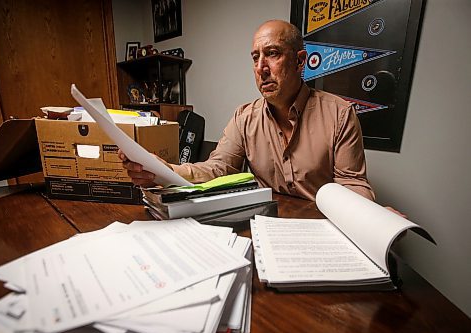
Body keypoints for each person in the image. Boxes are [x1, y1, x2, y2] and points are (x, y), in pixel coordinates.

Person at [120, 19, 375, 201]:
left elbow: (352, 186)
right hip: (268, 225)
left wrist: (370, 216)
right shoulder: (244, 117)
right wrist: (166, 171)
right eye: (255, 57)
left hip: (322, 228)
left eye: (272, 54)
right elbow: (217, 169)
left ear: (299, 61)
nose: (261, 67)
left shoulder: (339, 114)